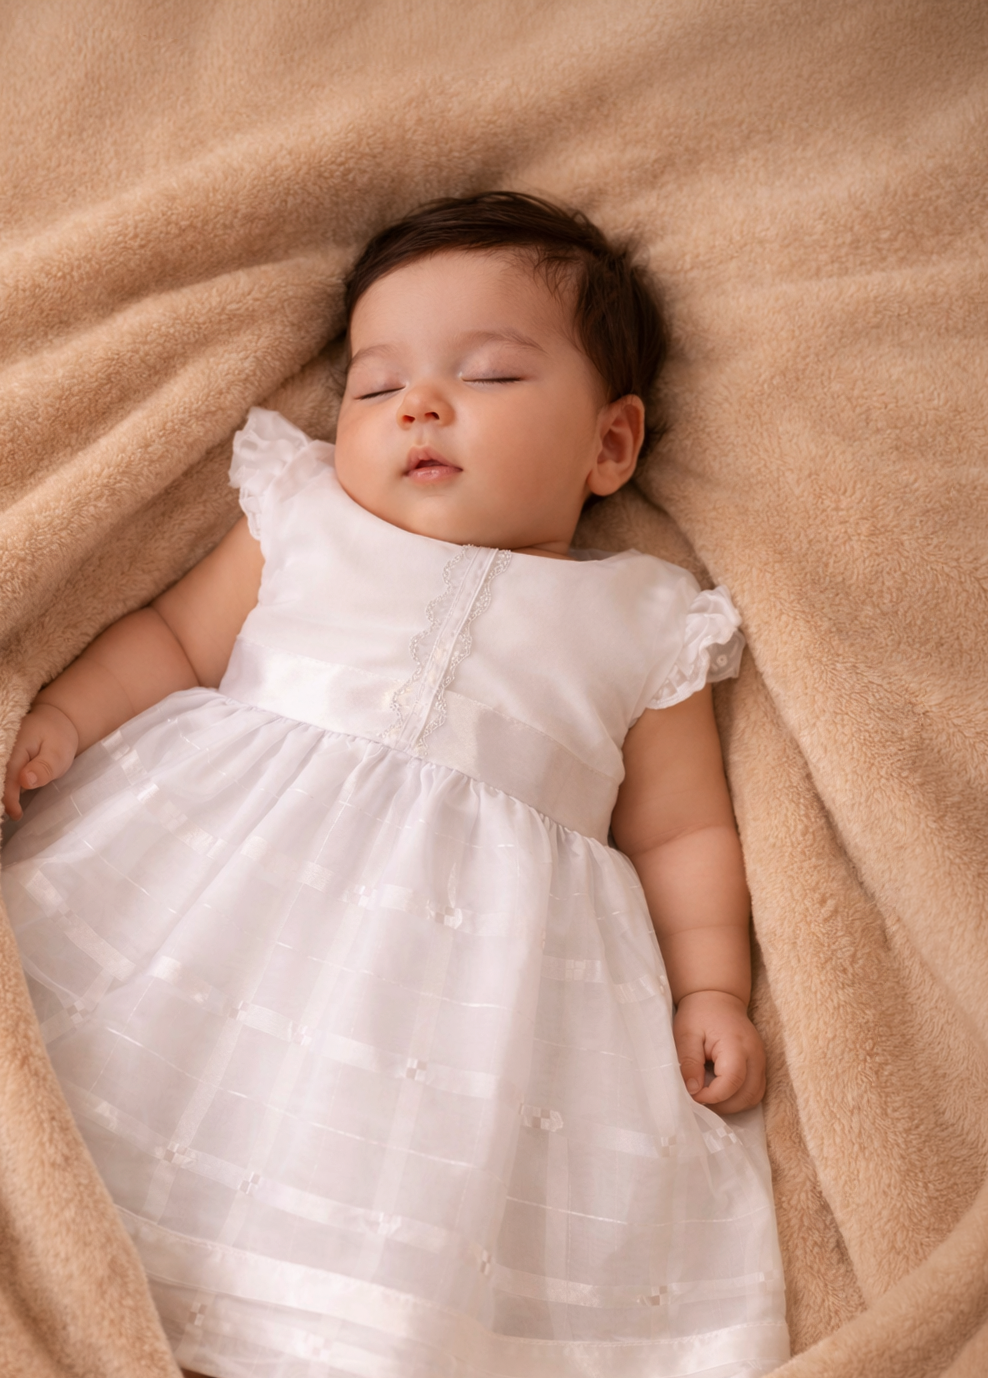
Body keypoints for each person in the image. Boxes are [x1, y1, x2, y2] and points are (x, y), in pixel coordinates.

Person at [1, 193, 789, 1377]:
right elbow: (173, 640)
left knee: (377, 1196)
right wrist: (63, 720)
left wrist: (711, 986)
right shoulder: (306, 512)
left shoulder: (644, 619)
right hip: (216, 889)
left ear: (610, 445)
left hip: (465, 989)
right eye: (374, 386)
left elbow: (681, 833)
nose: (418, 404)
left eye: (490, 375)